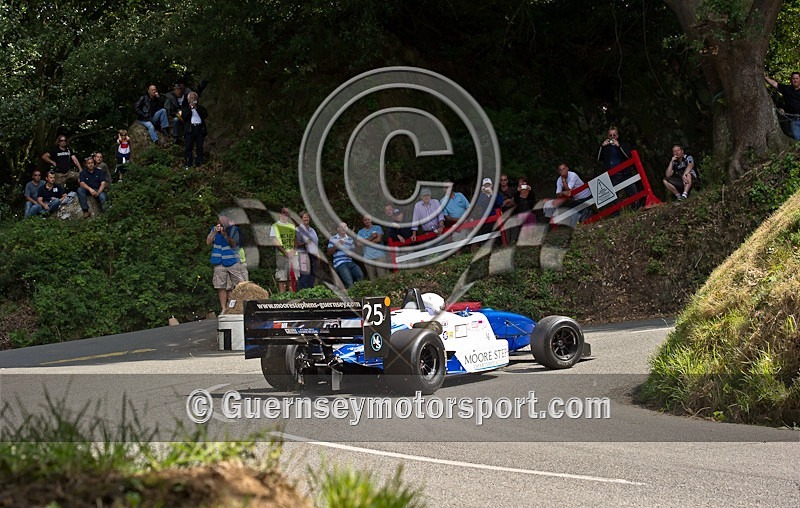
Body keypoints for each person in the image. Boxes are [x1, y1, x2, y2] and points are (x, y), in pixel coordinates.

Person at [206, 213, 247, 313]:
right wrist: (214, 232)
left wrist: (225, 235)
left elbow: (235, 244)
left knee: (240, 284)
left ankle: (241, 306)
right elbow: (208, 242)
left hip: (232, 261)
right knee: (221, 286)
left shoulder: (234, 230)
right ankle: (224, 308)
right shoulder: (214, 229)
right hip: (219, 262)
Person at [597, 127, 638, 206]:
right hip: (612, 175)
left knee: (632, 191)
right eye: (610, 135)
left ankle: (636, 207)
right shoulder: (605, 147)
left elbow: (628, 156)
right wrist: (602, 146)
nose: (612, 137)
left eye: (614, 135)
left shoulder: (623, 144)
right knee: (611, 197)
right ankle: (615, 212)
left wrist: (619, 146)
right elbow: (598, 158)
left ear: (617, 136)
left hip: (624, 173)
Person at [269, 207, 298, 293]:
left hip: (293, 255)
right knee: (282, 277)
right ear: (280, 214)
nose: (286, 214)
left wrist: (293, 250)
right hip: (281, 254)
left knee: (292, 277)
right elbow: (275, 241)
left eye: (287, 213)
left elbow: (295, 239)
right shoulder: (275, 226)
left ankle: (292, 296)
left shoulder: (292, 226)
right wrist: (285, 252)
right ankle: (282, 297)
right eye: (284, 212)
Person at [327, 222, 364, 288]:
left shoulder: (350, 239)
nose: (343, 228)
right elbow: (329, 252)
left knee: (360, 276)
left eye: (345, 227)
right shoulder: (333, 238)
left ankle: (359, 292)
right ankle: (350, 293)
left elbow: (353, 252)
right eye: (341, 227)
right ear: (338, 229)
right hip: (339, 263)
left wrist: (351, 253)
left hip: (349, 262)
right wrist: (336, 245)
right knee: (349, 281)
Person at [765, 72, 800, 140]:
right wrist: (764, 77)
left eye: (797, 78)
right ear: (791, 80)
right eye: (793, 78)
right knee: (796, 136)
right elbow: (774, 84)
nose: (795, 80)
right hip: (794, 119)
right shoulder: (787, 89)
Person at [181, 91, 208, 168]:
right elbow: (184, 117)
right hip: (190, 129)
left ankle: (199, 163)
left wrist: (196, 108)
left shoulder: (200, 108)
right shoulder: (185, 108)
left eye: (194, 98)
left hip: (199, 128)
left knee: (200, 146)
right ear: (188, 99)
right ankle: (188, 164)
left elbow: (205, 115)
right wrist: (190, 108)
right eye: (191, 98)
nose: (193, 99)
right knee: (188, 147)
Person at [357, 214, 387, 280]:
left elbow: (378, 240)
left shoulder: (377, 228)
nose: (367, 221)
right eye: (365, 220)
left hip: (379, 256)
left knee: (383, 278)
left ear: (371, 220)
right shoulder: (360, 232)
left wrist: (364, 242)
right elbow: (359, 244)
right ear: (363, 221)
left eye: (368, 219)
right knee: (372, 279)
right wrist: (372, 237)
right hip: (368, 258)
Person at [296, 211, 319, 289]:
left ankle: (310, 292)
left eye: (307, 217)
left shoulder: (312, 230)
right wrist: (305, 243)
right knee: (304, 275)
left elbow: (316, 242)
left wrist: (318, 253)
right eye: (304, 217)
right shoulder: (298, 230)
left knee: (312, 275)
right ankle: (302, 293)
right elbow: (295, 244)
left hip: (313, 255)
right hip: (303, 254)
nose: (306, 219)